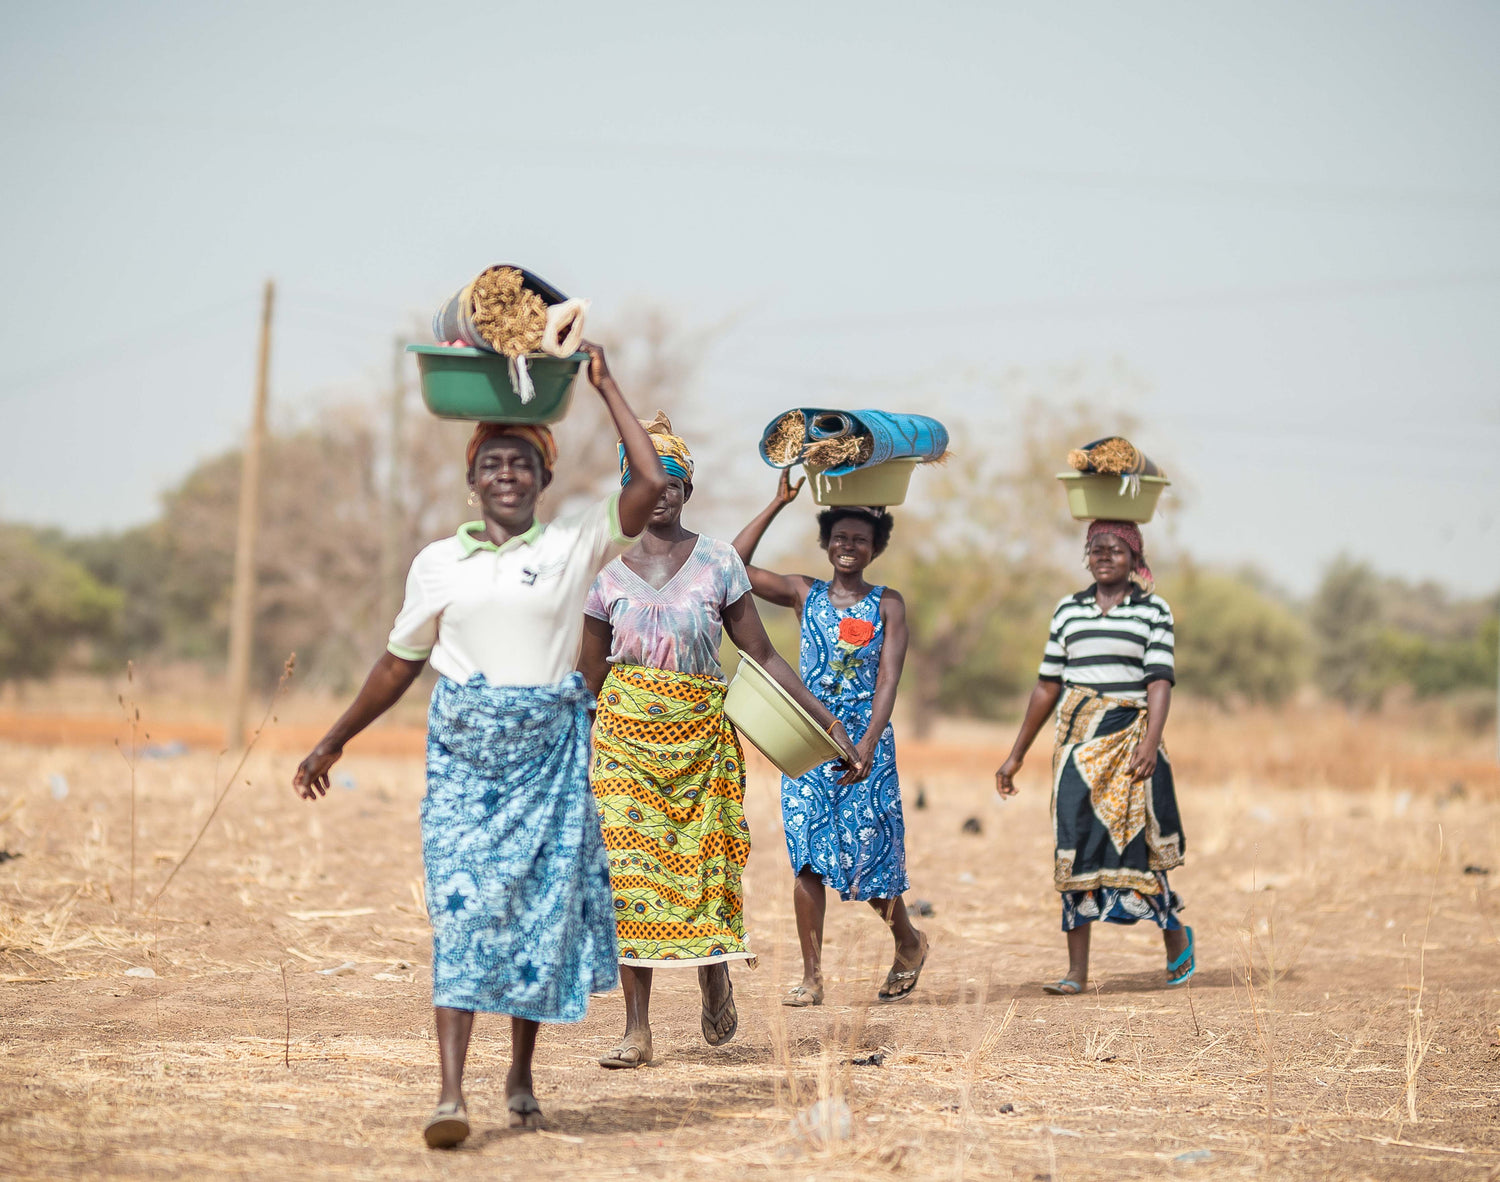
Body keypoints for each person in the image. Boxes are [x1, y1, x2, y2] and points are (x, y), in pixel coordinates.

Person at [291, 343, 669, 1148]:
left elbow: (650, 486)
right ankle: (450, 1096)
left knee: (534, 917)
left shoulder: (568, 548)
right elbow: (400, 663)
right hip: (463, 762)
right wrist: (333, 740)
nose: (506, 473)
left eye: (522, 462)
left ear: (542, 479)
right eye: (492, 462)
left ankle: (522, 1075)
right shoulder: (437, 565)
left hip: (549, 760)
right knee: (462, 917)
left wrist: (605, 386)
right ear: (472, 481)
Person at [579, 415, 862, 1068]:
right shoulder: (607, 581)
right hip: (624, 747)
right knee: (630, 881)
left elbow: (761, 654)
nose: (663, 495)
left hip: (701, 743)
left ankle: (714, 975)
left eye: (674, 483)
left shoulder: (717, 564)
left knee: (706, 877)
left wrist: (827, 720)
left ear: (686, 490)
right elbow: (587, 683)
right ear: (631, 491)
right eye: (651, 484)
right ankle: (637, 1029)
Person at [732, 469, 928, 1007]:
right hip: (807, 736)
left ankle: (908, 941)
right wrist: (776, 502)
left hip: (866, 742)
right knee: (807, 857)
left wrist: (867, 743)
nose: (848, 546)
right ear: (826, 542)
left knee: (870, 855)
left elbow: (888, 678)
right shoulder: (803, 592)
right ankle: (811, 977)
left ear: (874, 548)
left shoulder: (889, 604)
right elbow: (733, 566)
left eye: (859, 539)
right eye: (839, 537)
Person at [994, 519, 1193, 995]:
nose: (1105, 557)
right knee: (1074, 848)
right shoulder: (1068, 610)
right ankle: (1077, 972)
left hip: (1132, 743)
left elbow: (1160, 681)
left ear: (1134, 558)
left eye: (1116, 550)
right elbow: (1047, 685)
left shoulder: (1153, 611)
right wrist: (1016, 754)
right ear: (1087, 556)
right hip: (1076, 747)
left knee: (1139, 850)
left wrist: (1151, 742)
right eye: (1096, 549)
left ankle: (1175, 939)